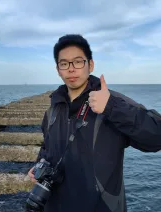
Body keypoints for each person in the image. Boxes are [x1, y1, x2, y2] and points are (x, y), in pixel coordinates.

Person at [27, 34, 161, 212]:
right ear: (58, 69)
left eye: (78, 61)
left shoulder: (111, 102)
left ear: (90, 65)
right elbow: (48, 147)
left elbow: (157, 136)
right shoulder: (52, 110)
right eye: (64, 63)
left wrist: (112, 108)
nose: (71, 69)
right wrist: (39, 164)